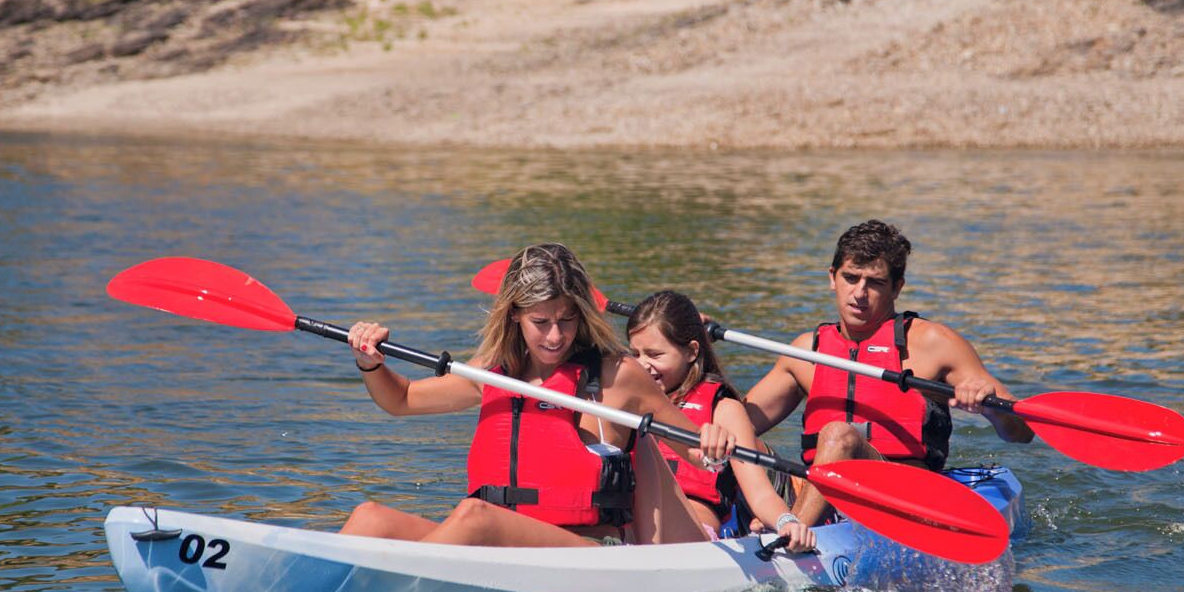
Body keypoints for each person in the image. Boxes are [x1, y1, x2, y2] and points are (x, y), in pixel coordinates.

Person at [339, 243, 735, 548]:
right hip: (502, 544)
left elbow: (698, 454)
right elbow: (401, 399)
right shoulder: (495, 370)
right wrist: (369, 362)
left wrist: (714, 446)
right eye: (540, 322)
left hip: (590, 550)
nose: (555, 336)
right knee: (370, 517)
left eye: (567, 320)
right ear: (514, 314)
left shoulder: (618, 374)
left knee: (475, 516)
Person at [744, 220, 1033, 527]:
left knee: (839, 435)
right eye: (850, 278)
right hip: (822, 494)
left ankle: (790, 537)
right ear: (833, 277)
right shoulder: (805, 352)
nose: (859, 293)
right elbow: (734, 422)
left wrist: (991, 407)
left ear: (897, 287)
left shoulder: (934, 344)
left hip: (900, 496)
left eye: (875, 283)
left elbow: (1022, 432)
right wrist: (695, 355)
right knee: (733, 442)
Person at [625, 291, 817, 553]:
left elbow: (759, 493)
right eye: (635, 354)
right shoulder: (625, 398)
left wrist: (788, 522)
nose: (642, 365)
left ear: (692, 351)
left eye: (655, 355)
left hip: (692, 532)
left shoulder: (724, 410)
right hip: (632, 524)